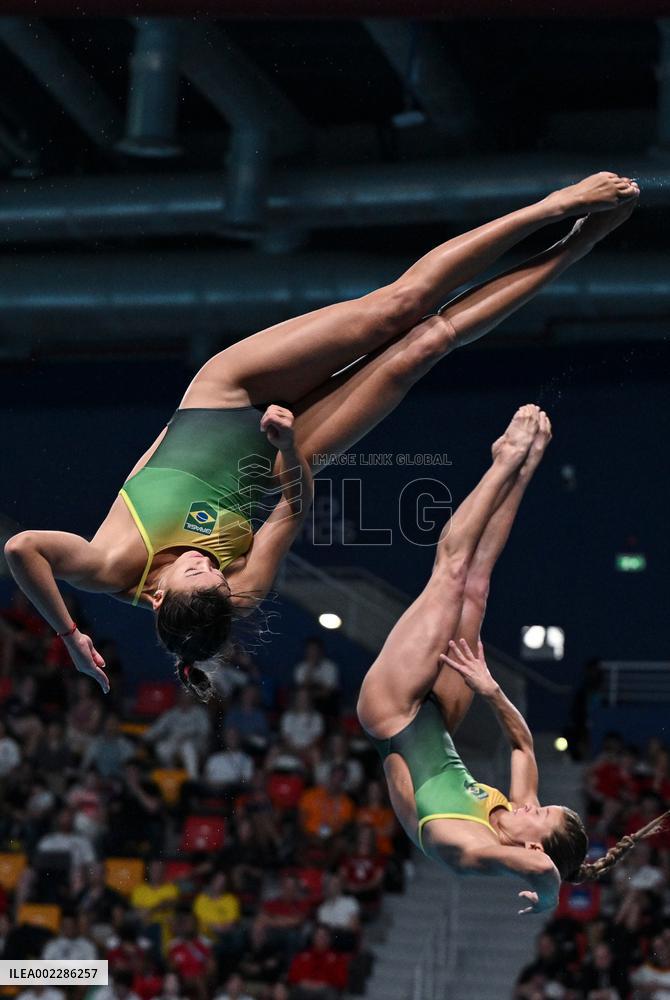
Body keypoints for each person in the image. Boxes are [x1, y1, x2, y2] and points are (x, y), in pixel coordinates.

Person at [4, 175, 638, 697]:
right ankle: (571, 249)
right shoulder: (239, 596)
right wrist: (282, 448)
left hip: (228, 396)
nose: (207, 566)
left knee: (395, 308)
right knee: (424, 347)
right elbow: (295, 508)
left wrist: (70, 638)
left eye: (196, 572)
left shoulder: (109, 567)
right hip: (287, 450)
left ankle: (554, 206)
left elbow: (21, 548)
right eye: (215, 578)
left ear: (159, 594)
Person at [356, 405, 669, 914]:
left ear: (528, 846)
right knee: (476, 590)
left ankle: (503, 461)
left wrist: (548, 901)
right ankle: (525, 468)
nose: (530, 802)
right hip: (438, 720)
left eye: (539, 813)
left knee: (451, 574)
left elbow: (546, 871)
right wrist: (489, 688)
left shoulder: (471, 850)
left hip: (392, 715)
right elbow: (522, 744)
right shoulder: (516, 811)